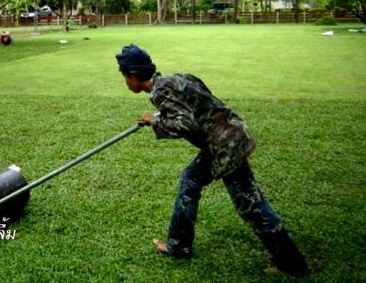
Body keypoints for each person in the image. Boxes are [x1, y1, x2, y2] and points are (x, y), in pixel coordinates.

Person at [115, 44, 308, 276]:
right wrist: (167, 114)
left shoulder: (160, 92)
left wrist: (154, 121)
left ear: (133, 75)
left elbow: (187, 124)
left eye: (125, 76)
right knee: (191, 179)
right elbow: (202, 96)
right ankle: (179, 245)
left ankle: (292, 264)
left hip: (226, 145)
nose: (126, 82)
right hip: (225, 137)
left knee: (251, 206)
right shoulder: (176, 79)